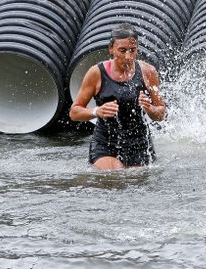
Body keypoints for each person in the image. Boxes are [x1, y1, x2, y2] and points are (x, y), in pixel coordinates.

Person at [69, 23, 166, 170]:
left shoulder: (148, 72)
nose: (128, 56)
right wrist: (97, 111)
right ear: (111, 49)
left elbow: (161, 114)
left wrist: (150, 108)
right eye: (122, 50)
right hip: (106, 144)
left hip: (140, 144)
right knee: (117, 176)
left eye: (132, 50)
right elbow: (74, 112)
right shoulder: (96, 73)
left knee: (138, 183)